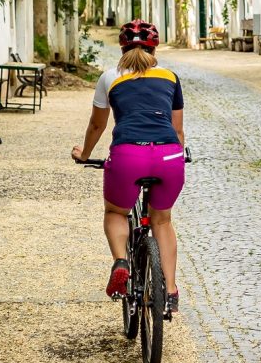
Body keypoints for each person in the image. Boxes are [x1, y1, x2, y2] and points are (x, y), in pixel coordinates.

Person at [72, 20, 186, 313]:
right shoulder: (170, 77)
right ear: (154, 47)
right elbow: (178, 130)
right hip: (169, 156)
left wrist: (84, 154)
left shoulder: (110, 77)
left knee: (115, 212)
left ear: (122, 47)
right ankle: (170, 291)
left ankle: (121, 260)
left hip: (127, 155)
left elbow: (97, 124)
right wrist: (179, 154)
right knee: (162, 221)